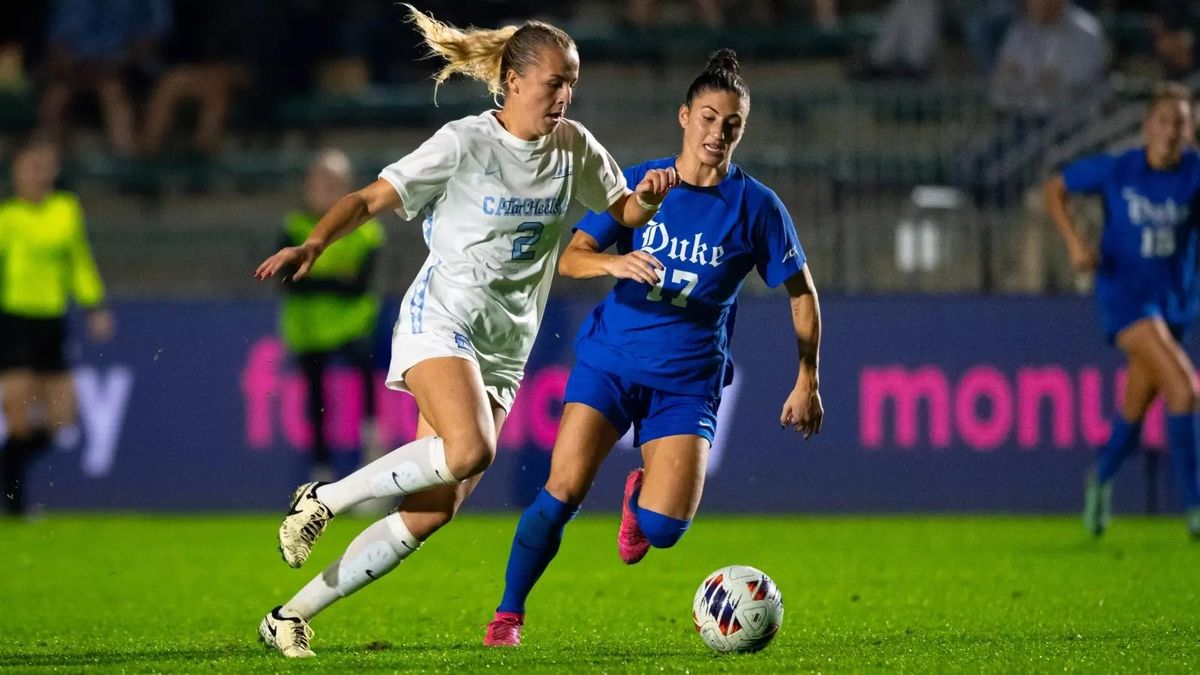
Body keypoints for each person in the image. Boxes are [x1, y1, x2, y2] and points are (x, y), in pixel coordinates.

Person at [252, 4, 678, 658]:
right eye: (553, 83)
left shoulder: (574, 145)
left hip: (504, 350)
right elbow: (369, 198)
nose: (563, 96)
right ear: (512, 81)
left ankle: (290, 615)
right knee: (470, 449)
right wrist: (315, 241)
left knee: (431, 510)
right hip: (439, 320)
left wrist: (644, 198)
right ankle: (324, 498)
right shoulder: (464, 143)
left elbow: (619, 205)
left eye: (571, 84)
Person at [481, 49, 824, 647]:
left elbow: (802, 292)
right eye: (710, 118)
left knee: (663, 531)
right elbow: (572, 257)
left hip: (687, 382)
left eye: (732, 125)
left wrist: (807, 377)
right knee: (560, 493)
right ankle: (508, 615)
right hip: (610, 363)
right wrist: (617, 261)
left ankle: (639, 496)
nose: (718, 133)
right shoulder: (643, 183)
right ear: (685, 116)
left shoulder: (758, 207)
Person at [1044, 83, 1200, 539]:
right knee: (1184, 392)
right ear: (1148, 127)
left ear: (1191, 132)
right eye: (1165, 121)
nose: (1172, 132)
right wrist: (1075, 243)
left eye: (1182, 123)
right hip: (1125, 297)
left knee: (1136, 408)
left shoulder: (1194, 174)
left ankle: (1100, 478)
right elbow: (1055, 187)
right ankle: (1194, 507)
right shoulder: (1120, 169)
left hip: (1175, 304)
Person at [0, 138, 114, 517]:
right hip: (15, 321)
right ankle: (15, 504)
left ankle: (7, 471)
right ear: (17, 174)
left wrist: (94, 305)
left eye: (44, 168)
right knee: (17, 418)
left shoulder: (65, 210)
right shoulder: (7, 217)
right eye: (31, 168)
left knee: (63, 418)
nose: (38, 176)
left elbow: (78, 261)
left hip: (53, 321)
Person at [275, 149, 384, 482]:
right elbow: (288, 282)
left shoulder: (366, 231)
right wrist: (338, 280)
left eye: (334, 183)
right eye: (321, 181)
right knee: (316, 400)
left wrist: (313, 277)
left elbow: (358, 286)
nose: (326, 189)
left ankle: (372, 455)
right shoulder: (294, 228)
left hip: (353, 326)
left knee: (367, 387)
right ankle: (320, 471)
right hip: (309, 330)